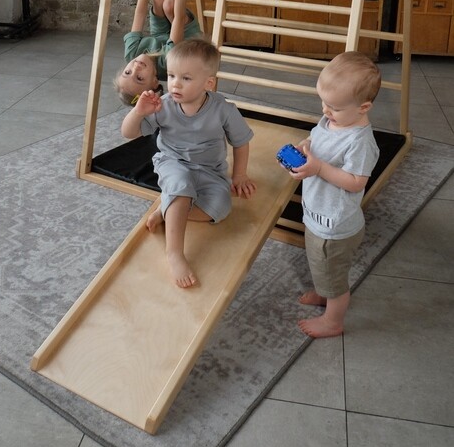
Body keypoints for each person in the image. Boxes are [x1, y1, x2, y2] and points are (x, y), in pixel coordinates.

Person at [121, 38, 257, 288]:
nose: (175, 84)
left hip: (210, 170)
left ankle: (168, 209)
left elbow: (241, 142)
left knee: (220, 208)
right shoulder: (163, 106)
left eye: (185, 78)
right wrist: (138, 112)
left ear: (208, 83)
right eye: (172, 75)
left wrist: (239, 175)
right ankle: (174, 253)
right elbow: (128, 133)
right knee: (181, 184)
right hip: (172, 162)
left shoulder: (224, 109)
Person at [280, 50, 381, 338]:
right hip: (318, 214)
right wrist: (305, 148)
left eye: (334, 107)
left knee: (334, 276)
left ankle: (333, 320)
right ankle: (324, 291)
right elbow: (316, 138)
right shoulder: (331, 121)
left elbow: (356, 182)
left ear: (363, 107)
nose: (325, 111)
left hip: (335, 227)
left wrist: (319, 168)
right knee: (320, 264)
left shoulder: (360, 142)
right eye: (323, 102)